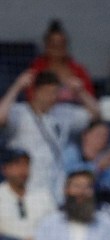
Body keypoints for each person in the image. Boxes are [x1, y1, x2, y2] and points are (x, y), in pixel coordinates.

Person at [0, 69, 99, 203]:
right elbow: (1, 118)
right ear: (35, 92)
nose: (51, 97)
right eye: (47, 92)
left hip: (55, 189)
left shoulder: (63, 113)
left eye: (55, 92)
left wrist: (80, 91)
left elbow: (96, 115)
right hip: (28, 187)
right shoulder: (19, 112)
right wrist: (17, 86)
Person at [28, 19, 95, 102]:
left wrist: (80, 91)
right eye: (53, 45)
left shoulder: (79, 70)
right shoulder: (37, 68)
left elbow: (90, 96)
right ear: (46, 46)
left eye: (61, 45)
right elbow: (31, 96)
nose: (57, 49)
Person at [0, 148, 56, 240]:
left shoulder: (43, 196)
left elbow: (54, 227)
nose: (22, 169)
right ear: (5, 169)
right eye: (17, 164)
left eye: (26, 164)